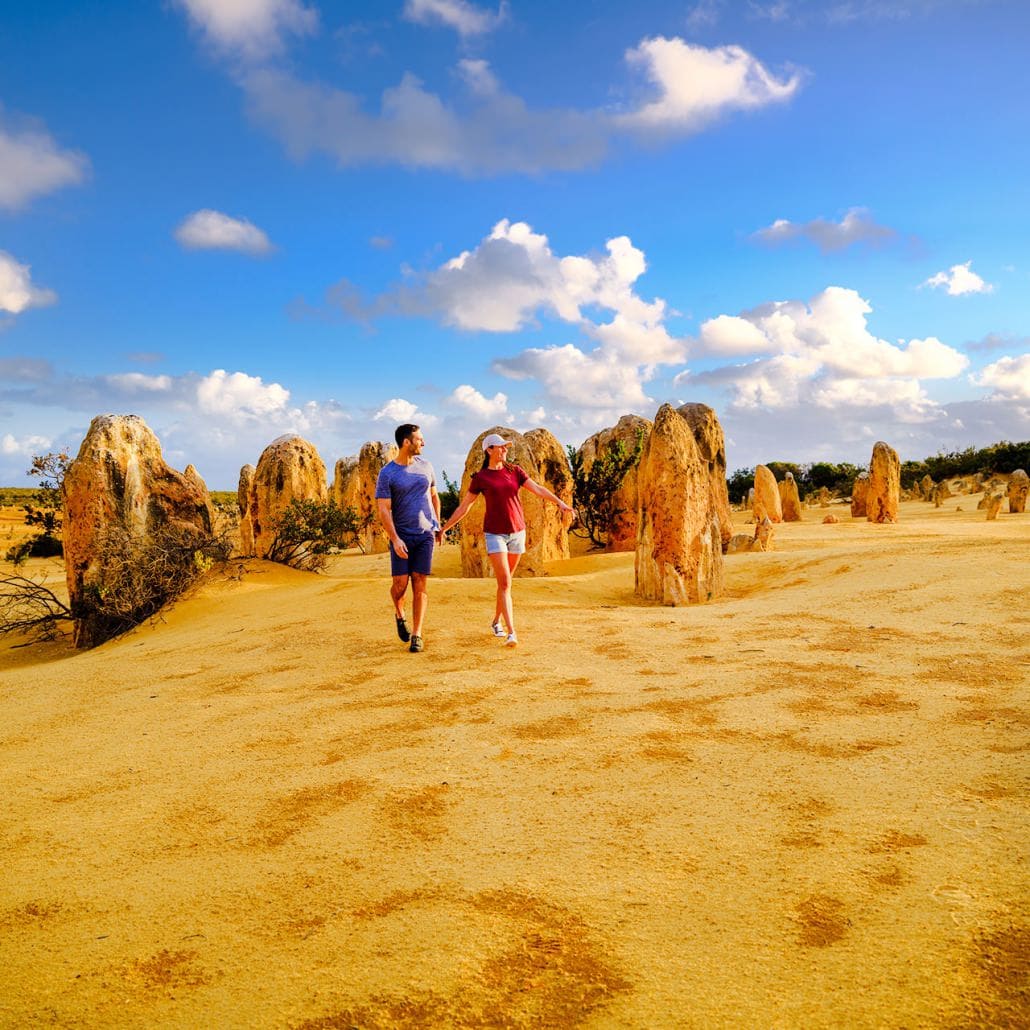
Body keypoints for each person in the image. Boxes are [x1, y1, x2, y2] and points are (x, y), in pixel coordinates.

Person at [438, 433, 575, 648]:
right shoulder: (481, 478)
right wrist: (445, 528)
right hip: (494, 534)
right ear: (489, 450)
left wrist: (560, 503)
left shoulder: (515, 471)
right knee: (505, 583)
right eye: (500, 447)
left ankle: (495, 621)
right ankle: (512, 632)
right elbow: (465, 507)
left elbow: (538, 489)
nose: (504, 450)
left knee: (505, 584)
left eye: (505, 447)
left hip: (517, 533)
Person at [375, 424, 440, 653]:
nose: (423, 443)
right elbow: (384, 509)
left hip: (425, 535)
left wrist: (438, 524)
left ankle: (417, 634)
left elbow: (434, 495)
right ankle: (399, 611)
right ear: (406, 442)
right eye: (419, 439)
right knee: (400, 585)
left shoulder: (427, 467)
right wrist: (394, 538)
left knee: (420, 583)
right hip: (401, 536)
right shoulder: (387, 473)